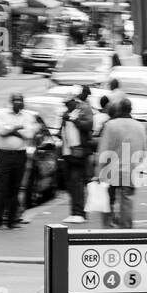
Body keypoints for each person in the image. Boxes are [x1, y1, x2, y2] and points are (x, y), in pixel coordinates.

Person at [97, 96, 147, 229]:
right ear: (130, 109)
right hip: (131, 169)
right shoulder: (140, 126)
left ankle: (108, 228)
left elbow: (103, 149)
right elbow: (145, 150)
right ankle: (126, 230)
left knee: (108, 199)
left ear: (119, 109)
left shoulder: (111, 125)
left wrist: (98, 170)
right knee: (127, 200)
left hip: (111, 169)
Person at [0, 93, 35, 230]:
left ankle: (11, 221)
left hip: (20, 156)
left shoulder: (27, 116)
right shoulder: (1, 115)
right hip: (4, 155)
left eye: (20, 100)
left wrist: (11, 129)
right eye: (16, 100)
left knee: (15, 189)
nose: (18, 103)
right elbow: (1, 131)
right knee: (2, 189)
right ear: (11, 102)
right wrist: (18, 129)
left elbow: (29, 134)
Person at [60, 92, 93, 224]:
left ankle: (79, 212)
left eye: (68, 103)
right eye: (65, 104)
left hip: (78, 152)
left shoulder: (83, 110)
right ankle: (74, 212)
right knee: (70, 184)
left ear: (74, 101)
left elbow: (89, 125)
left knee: (77, 182)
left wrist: (74, 120)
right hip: (67, 152)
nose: (66, 106)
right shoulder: (66, 113)